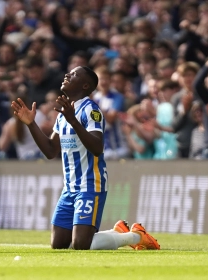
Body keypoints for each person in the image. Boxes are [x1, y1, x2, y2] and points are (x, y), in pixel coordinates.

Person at [11, 66, 160, 250]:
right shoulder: (64, 114)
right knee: (59, 245)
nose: (66, 75)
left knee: (82, 244)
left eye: (73, 75)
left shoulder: (91, 110)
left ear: (85, 85)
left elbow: (97, 147)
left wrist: (73, 120)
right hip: (70, 187)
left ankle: (135, 236)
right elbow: (50, 151)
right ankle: (118, 231)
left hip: (90, 184)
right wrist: (31, 124)